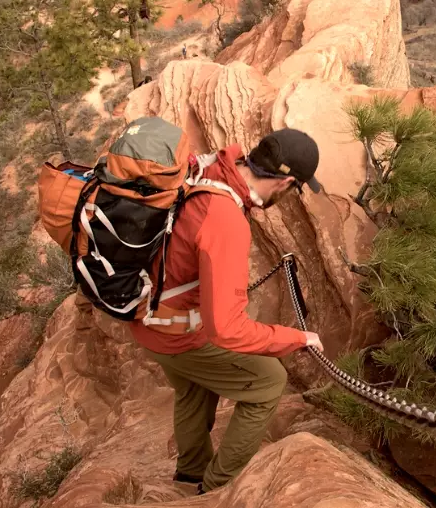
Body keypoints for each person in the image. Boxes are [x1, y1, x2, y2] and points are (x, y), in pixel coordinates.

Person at [130, 129, 324, 494]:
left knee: (194, 388)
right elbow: (227, 329)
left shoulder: (212, 171)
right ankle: (216, 488)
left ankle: (189, 477)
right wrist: (295, 338)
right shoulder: (225, 218)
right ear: (285, 182)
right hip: (176, 331)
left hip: (147, 314)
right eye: (295, 189)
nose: (290, 196)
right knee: (269, 381)